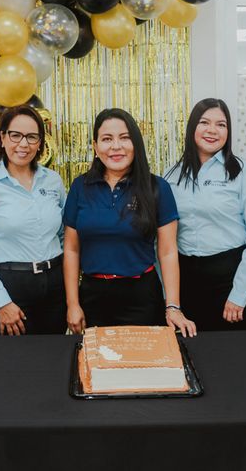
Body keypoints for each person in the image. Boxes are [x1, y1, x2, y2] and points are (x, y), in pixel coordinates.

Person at [62, 108, 196, 337]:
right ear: (95, 147)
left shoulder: (157, 188)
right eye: (107, 139)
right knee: (96, 368)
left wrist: (173, 306)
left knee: (141, 368)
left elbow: (167, 251)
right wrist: (73, 304)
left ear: (136, 144)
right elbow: (72, 249)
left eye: (125, 138)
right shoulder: (80, 187)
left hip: (142, 297)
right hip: (92, 297)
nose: (116, 146)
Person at [166, 99, 246, 331]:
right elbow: (163, 241)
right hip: (187, 281)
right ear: (192, 127)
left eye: (221, 124)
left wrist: (240, 294)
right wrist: (170, 299)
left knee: (229, 358)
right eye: (204, 122)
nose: (212, 130)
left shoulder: (245, 173)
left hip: (232, 278)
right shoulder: (171, 175)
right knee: (191, 355)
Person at [0, 105, 67, 336]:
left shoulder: (52, 181)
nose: (24, 144)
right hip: (9, 288)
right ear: (2, 137)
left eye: (32, 137)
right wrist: (1, 302)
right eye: (15, 135)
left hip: (54, 288)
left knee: (54, 363)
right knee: (11, 368)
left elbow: (63, 234)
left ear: (40, 142)